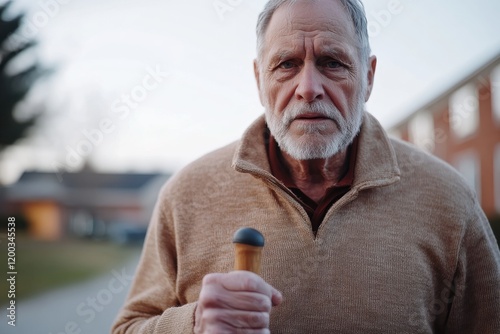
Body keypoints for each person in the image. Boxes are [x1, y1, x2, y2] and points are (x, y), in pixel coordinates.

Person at [112, 0, 500, 333]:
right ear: (258, 79)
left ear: (368, 76)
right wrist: (193, 323)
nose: (309, 87)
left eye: (332, 62)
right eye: (286, 64)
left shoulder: (447, 199)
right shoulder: (187, 195)